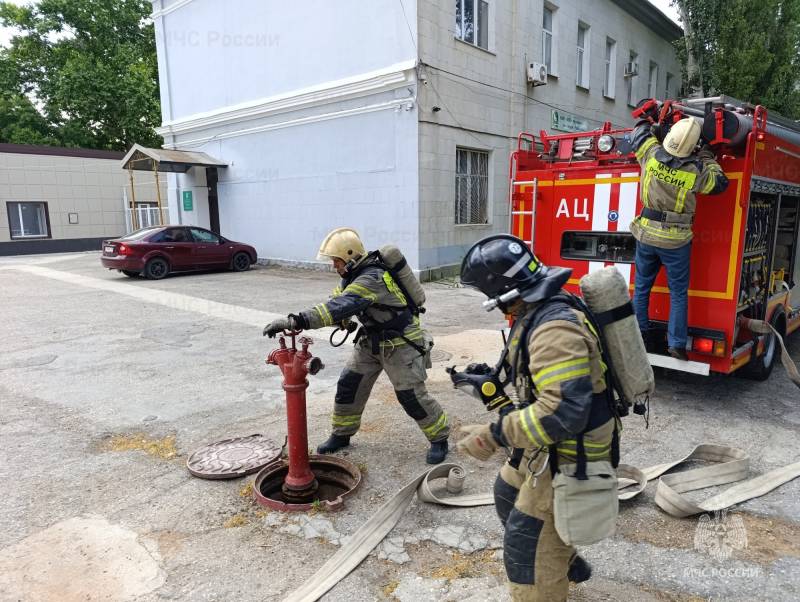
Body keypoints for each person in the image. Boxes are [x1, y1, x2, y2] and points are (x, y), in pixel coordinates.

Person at [455, 234, 618, 601]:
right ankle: (568, 560)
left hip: (570, 456)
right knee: (507, 492)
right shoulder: (539, 309)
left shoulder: (553, 329)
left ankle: (550, 564)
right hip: (551, 446)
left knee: (526, 554)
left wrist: (494, 434)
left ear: (504, 289)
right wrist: (491, 389)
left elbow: (562, 413)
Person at [263, 227, 450, 464]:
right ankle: (341, 435)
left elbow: (341, 305)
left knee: (410, 395)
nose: (334, 266)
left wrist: (295, 320)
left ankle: (439, 438)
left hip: (401, 342)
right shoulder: (352, 276)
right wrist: (343, 318)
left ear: (350, 256)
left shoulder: (372, 278)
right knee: (349, 385)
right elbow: (338, 302)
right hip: (371, 340)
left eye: (336, 260)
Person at [629, 116, 729, 360]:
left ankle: (639, 335)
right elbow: (720, 183)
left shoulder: (651, 154)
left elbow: (638, 133)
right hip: (676, 241)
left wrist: (652, 120)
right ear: (691, 147)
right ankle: (676, 345)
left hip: (646, 235)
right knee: (678, 293)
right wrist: (707, 156)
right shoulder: (696, 171)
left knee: (641, 288)